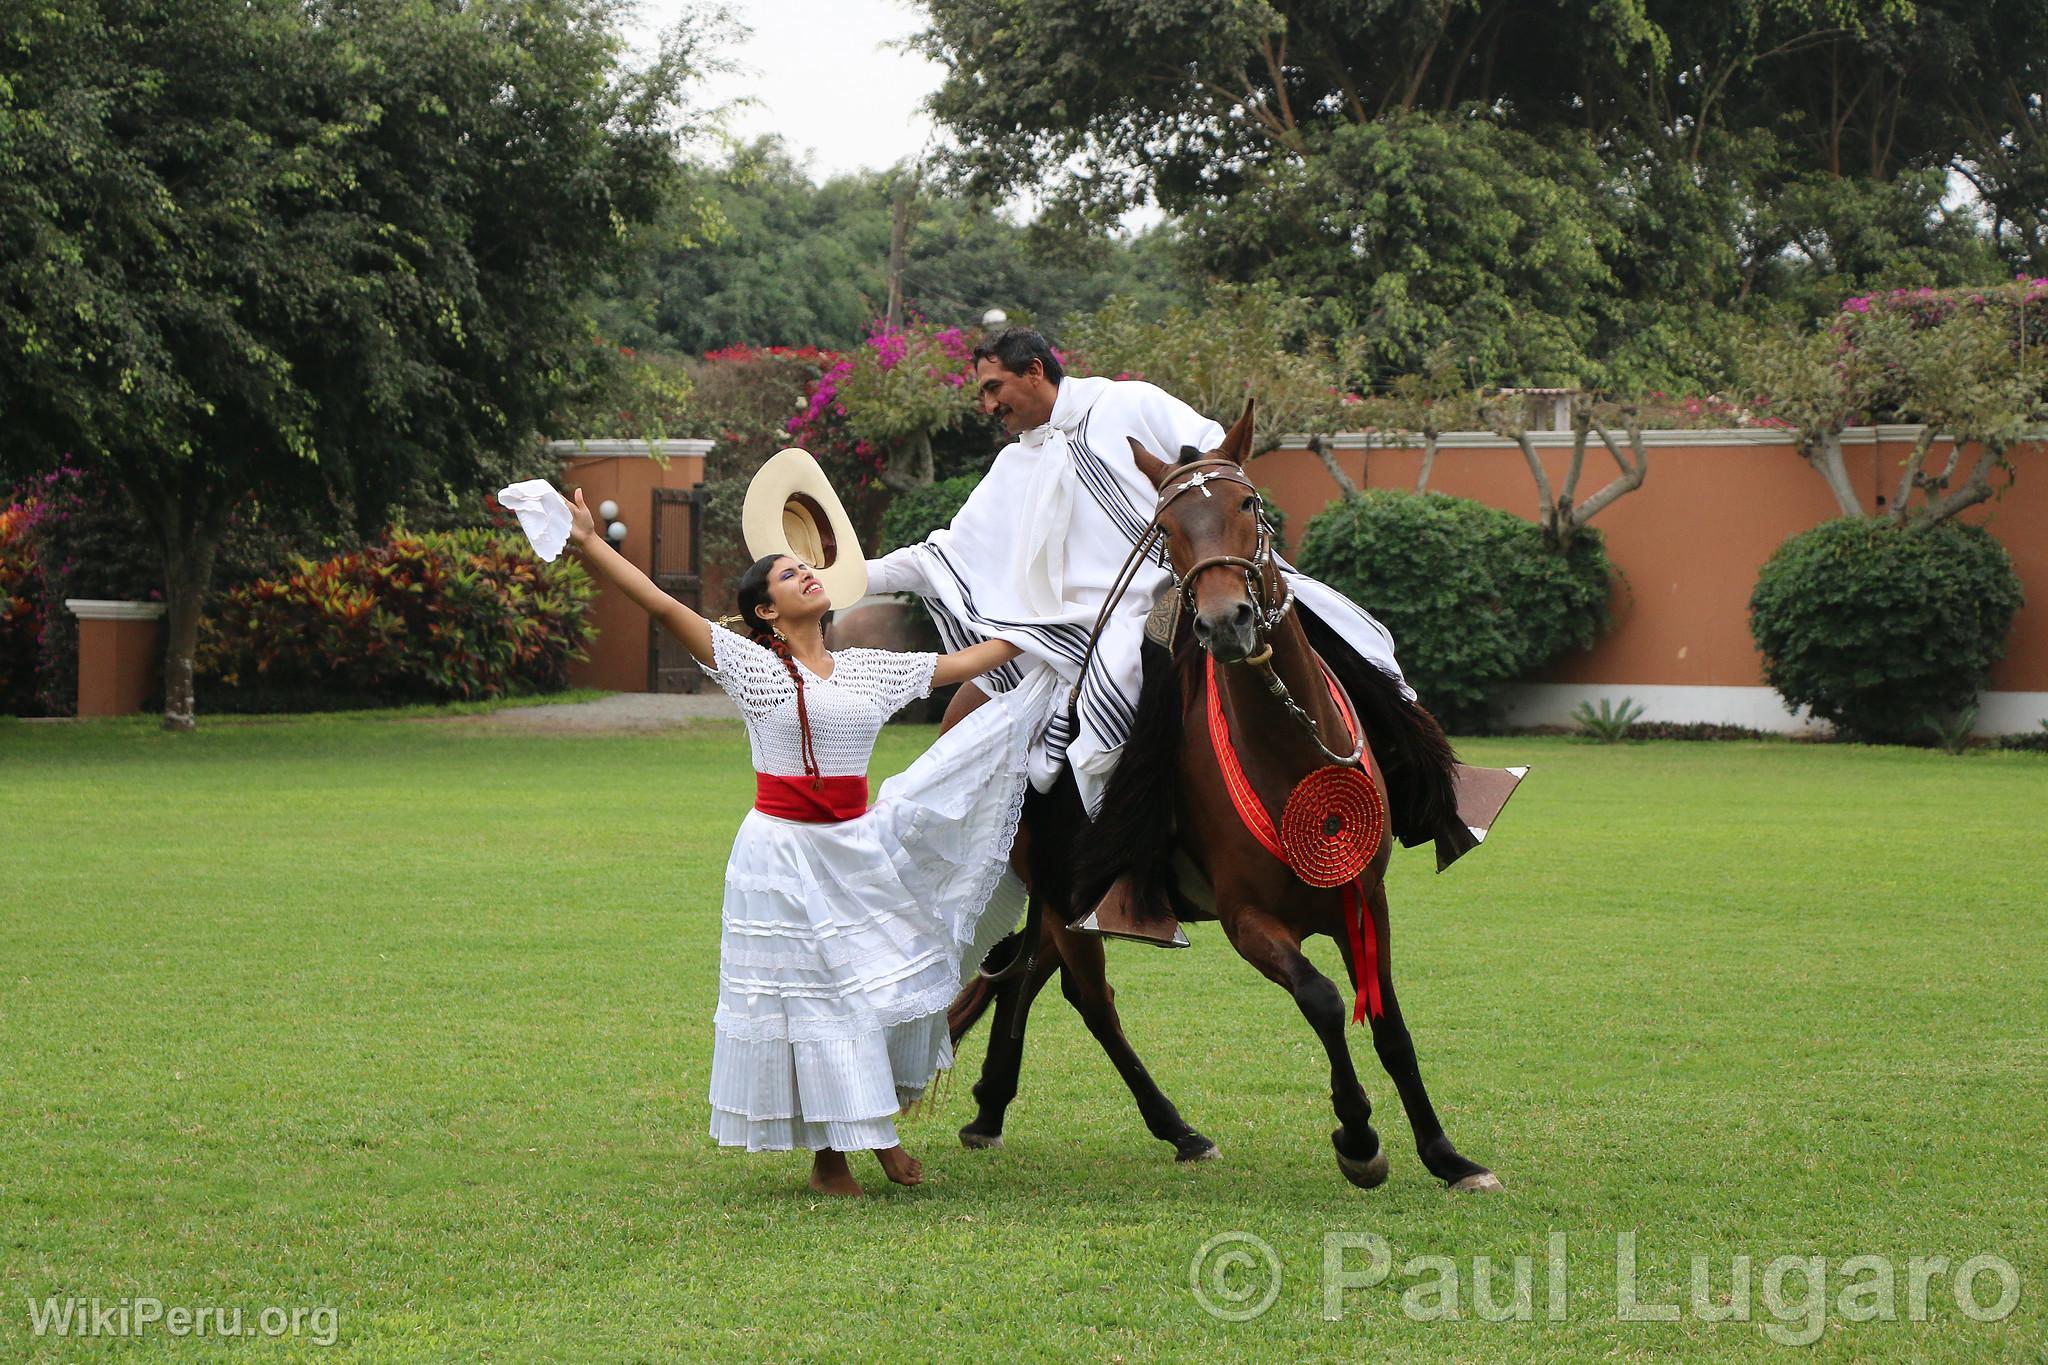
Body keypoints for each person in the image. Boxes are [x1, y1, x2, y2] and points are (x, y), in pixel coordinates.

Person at [864, 328, 1472, 935]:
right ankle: (1126, 871)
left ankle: (1436, 789)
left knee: (1346, 629)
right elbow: (939, 554)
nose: (988, 405)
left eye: (994, 387)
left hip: (1211, 574)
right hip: (1111, 619)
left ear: (1034, 372)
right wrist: (850, 576)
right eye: (983, 393)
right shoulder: (1011, 465)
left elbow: (1215, 455)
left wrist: (1209, 537)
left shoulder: (1127, 402)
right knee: (1114, 693)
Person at [563, 487, 1038, 1197]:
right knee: (813, 1002)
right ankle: (841, 1156)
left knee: (877, 986)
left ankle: (862, 1133)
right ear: (765, 612)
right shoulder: (753, 669)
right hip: (779, 856)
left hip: (856, 850)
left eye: (805, 567)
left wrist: (1061, 614)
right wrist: (593, 546)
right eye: (787, 575)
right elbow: (663, 607)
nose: (806, 574)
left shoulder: (872, 669)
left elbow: (979, 659)